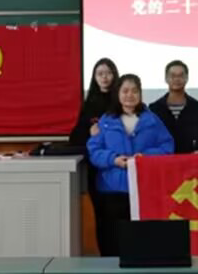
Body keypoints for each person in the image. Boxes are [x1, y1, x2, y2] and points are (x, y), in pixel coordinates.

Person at [87, 74, 174, 256]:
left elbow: (167, 147)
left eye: (134, 91)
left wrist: (145, 157)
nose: (130, 95)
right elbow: (94, 150)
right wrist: (113, 159)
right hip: (112, 190)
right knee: (112, 239)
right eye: (125, 91)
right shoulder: (106, 120)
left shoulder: (152, 120)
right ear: (117, 94)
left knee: (142, 239)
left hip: (144, 189)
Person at [68, 57, 119, 253]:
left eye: (108, 73)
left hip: (121, 168)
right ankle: (106, 256)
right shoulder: (89, 104)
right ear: (94, 78)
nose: (104, 78)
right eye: (100, 74)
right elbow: (75, 137)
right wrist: (89, 133)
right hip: (97, 170)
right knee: (101, 215)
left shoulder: (122, 100)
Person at [149, 60, 198, 153]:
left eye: (181, 75)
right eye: (173, 76)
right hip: (163, 158)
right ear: (166, 78)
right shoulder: (154, 109)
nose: (177, 79)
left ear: (187, 78)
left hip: (190, 159)